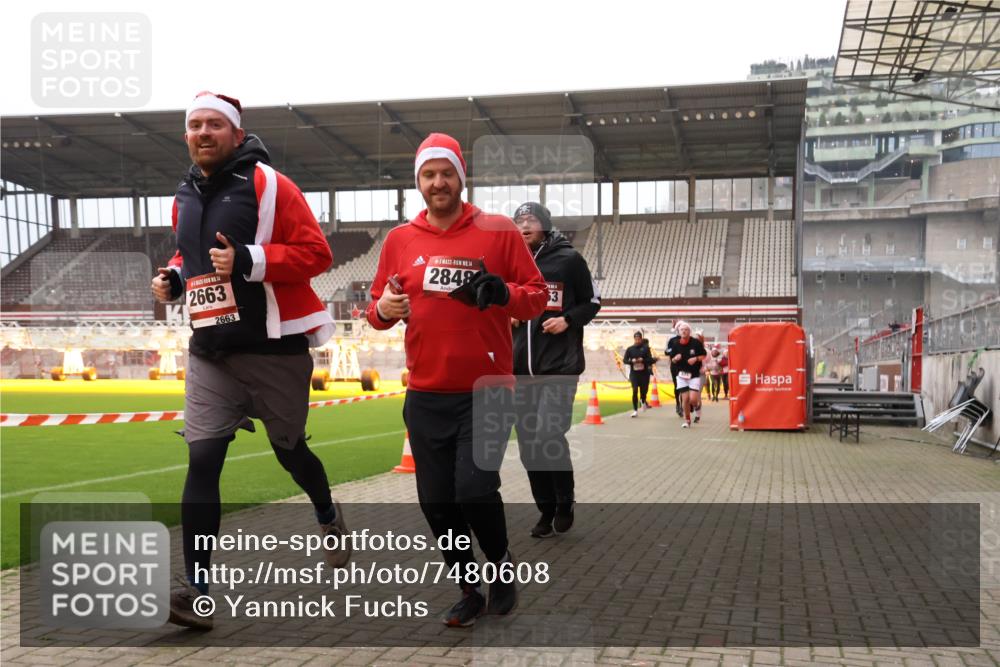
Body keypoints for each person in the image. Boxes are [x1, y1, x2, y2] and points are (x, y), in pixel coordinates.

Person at [151, 92, 347, 631]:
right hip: (211, 349)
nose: (203, 132)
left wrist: (250, 260)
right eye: (194, 125)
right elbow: (186, 253)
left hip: (273, 350)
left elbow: (317, 254)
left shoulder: (270, 185)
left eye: (215, 124)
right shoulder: (183, 194)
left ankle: (328, 513)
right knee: (203, 461)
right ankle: (197, 593)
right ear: (186, 136)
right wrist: (171, 277)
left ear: (237, 134)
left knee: (291, 453)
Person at [366, 133, 547, 627]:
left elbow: (536, 296)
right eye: (429, 174)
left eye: (446, 172)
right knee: (436, 502)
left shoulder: (499, 231)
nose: (438, 182)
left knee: (473, 488)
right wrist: (382, 308)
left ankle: (501, 567)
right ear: (418, 182)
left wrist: (502, 292)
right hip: (426, 393)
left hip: (488, 389)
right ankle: (469, 587)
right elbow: (378, 310)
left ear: (461, 178)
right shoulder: (401, 240)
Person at [511, 202, 601, 539]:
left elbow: (592, 302)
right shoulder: (511, 264)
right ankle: (545, 509)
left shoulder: (569, 260)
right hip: (520, 370)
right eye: (518, 222)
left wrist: (567, 319)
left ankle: (565, 501)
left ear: (545, 226)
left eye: (530, 220)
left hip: (559, 367)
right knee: (528, 445)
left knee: (548, 433)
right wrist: (509, 315)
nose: (524, 227)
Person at [664, 321, 706, 428]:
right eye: (682, 330)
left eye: (686, 329)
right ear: (679, 331)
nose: (684, 331)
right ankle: (687, 420)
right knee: (685, 399)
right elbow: (672, 360)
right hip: (681, 375)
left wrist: (695, 358)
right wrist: (675, 358)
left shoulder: (695, 343)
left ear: (689, 331)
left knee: (693, 400)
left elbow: (703, 355)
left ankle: (697, 407)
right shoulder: (675, 344)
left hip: (694, 375)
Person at [623, 331, 655, 418]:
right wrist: (631, 361)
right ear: (634, 339)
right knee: (635, 390)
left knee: (643, 392)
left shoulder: (646, 348)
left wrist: (642, 360)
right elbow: (624, 360)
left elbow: (650, 360)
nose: (637, 340)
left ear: (641, 339)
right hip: (634, 374)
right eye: (636, 339)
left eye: (639, 339)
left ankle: (643, 400)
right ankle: (635, 410)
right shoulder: (630, 349)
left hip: (644, 374)